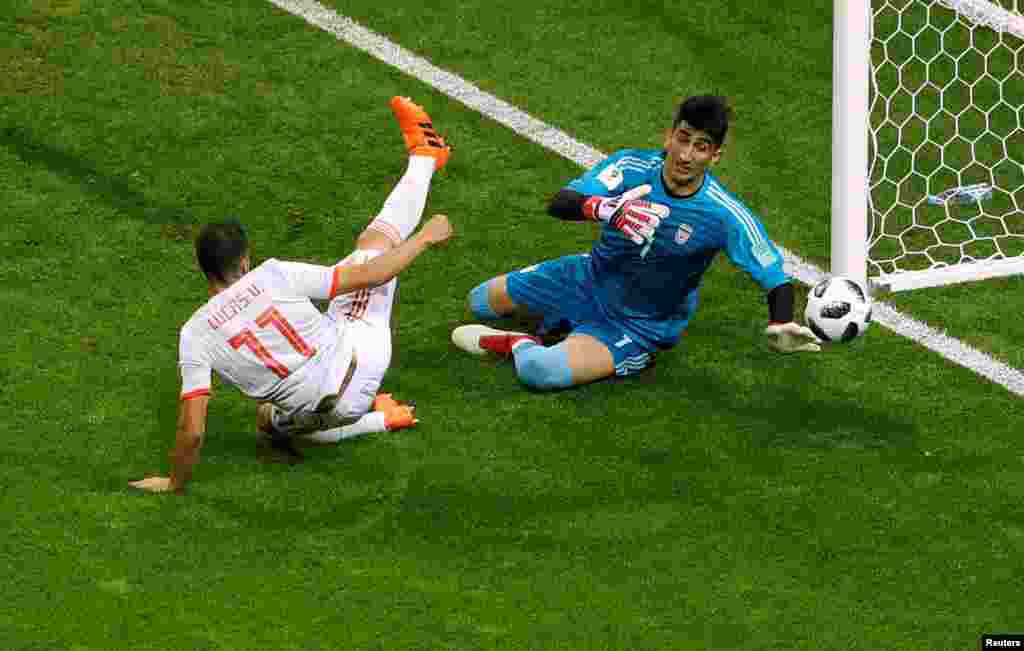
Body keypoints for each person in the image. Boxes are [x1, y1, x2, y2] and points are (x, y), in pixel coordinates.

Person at [130, 97, 452, 493]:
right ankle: (426, 156)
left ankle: (378, 418)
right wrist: (424, 238)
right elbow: (372, 274)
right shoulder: (273, 275)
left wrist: (174, 482)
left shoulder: (194, 335)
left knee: (269, 420)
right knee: (374, 246)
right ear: (245, 261)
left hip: (319, 408)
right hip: (360, 359)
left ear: (202, 269)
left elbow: (192, 430)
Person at [452, 95, 819, 391]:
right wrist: (604, 209)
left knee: (538, 370)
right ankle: (568, 322)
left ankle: (516, 342)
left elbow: (774, 276)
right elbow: (560, 203)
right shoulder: (630, 167)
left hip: (637, 323)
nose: (687, 155)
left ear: (715, 156)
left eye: (702, 147)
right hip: (588, 277)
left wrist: (780, 321)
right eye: (683, 139)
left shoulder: (724, 214)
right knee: (480, 301)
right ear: (669, 135)